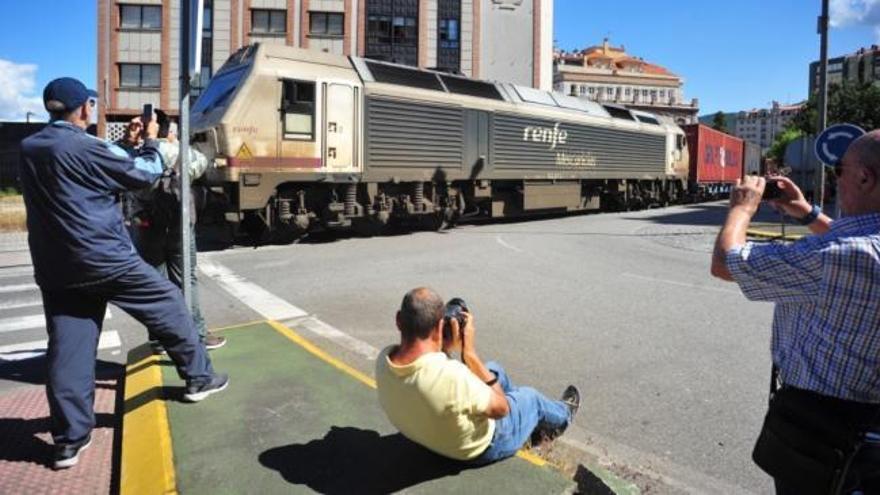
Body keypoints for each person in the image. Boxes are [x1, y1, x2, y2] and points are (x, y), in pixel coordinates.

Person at [20, 78, 228, 470]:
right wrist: (150, 141)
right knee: (167, 300)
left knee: (70, 348)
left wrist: (127, 145)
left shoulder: (30, 148)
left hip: (55, 265)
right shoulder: (86, 146)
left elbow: (89, 172)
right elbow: (143, 172)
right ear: (84, 109)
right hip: (103, 257)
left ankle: (69, 440)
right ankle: (200, 377)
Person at [710, 130, 880, 493]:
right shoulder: (859, 252)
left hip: (823, 433)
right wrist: (805, 211)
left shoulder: (835, 259)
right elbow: (857, 241)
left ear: (865, 177)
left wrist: (741, 209)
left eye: (838, 169)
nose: (837, 177)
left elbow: (726, 262)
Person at [375, 287, 580, 464]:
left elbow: (430, 374)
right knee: (530, 397)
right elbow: (501, 409)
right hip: (477, 447)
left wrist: (444, 348)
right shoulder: (453, 377)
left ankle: (523, 421)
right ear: (439, 327)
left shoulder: (385, 359)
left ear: (399, 321)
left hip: (430, 436)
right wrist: (469, 354)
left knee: (493, 368)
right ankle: (563, 415)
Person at [117, 116, 226, 350]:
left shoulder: (132, 154)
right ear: (168, 130)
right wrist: (171, 143)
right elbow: (200, 164)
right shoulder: (172, 150)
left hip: (146, 227)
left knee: (155, 283)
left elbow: (117, 168)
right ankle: (196, 333)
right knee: (186, 279)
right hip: (179, 225)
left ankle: (159, 337)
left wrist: (130, 141)